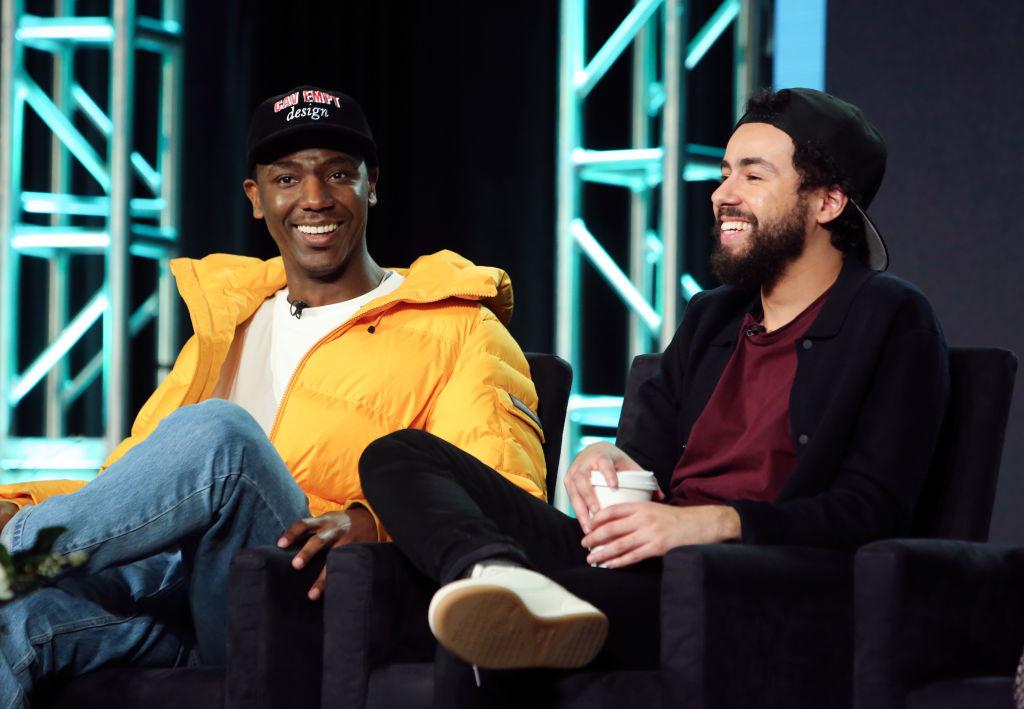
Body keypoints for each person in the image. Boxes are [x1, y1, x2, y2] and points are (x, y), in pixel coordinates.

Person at [357, 88, 950, 697]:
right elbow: (640, 457)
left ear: (827, 202)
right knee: (399, 454)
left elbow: (870, 510)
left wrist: (710, 525)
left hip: (749, 585)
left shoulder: (890, 317)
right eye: (724, 173)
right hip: (642, 560)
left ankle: (516, 599)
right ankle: (498, 568)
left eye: (753, 174)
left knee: (493, 633)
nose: (723, 194)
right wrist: (605, 461)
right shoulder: (713, 317)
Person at [0, 85, 545, 705]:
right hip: (172, 600)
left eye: (338, 174)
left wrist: (374, 520)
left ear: (372, 186)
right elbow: (130, 487)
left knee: (222, 436)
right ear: (257, 199)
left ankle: (13, 558)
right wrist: (18, 501)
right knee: (11, 625)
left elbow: (505, 498)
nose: (315, 198)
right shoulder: (229, 323)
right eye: (287, 178)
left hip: (310, 598)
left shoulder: (461, 328)